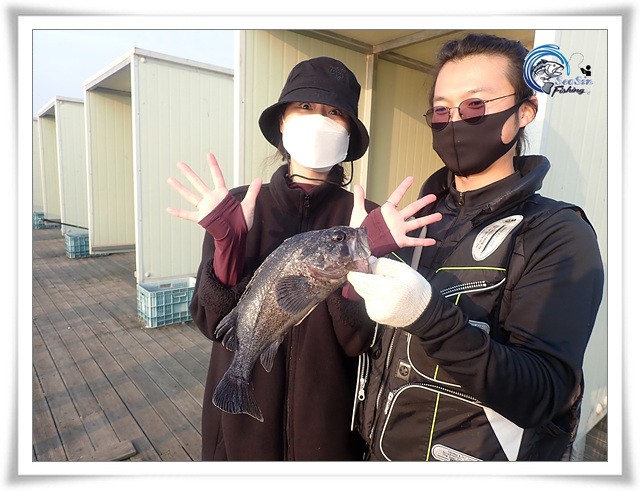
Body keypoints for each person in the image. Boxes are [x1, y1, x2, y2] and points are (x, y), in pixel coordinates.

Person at [166, 56, 440, 461]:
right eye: (306, 107)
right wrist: (227, 246)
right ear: (282, 121)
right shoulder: (235, 207)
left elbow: (356, 341)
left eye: (334, 113)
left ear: (349, 135)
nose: (319, 120)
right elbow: (211, 323)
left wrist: (363, 259)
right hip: (238, 435)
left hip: (325, 429)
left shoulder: (368, 224)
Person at [347, 33, 605, 461]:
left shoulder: (556, 233)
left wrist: (429, 316)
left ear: (524, 111)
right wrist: (354, 258)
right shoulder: (413, 221)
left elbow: (543, 394)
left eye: (474, 106)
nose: (454, 121)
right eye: (441, 110)